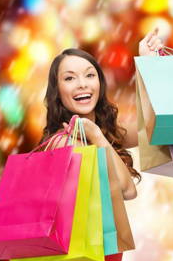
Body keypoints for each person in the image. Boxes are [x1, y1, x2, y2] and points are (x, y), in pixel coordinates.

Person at [39, 27, 164, 200]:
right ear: (57, 91)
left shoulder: (103, 130)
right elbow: (127, 190)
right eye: (69, 78)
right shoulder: (64, 142)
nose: (82, 84)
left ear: (100, 84)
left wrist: (148, 66)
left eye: (90, 75)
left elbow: (154, 128)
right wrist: (97, 136)